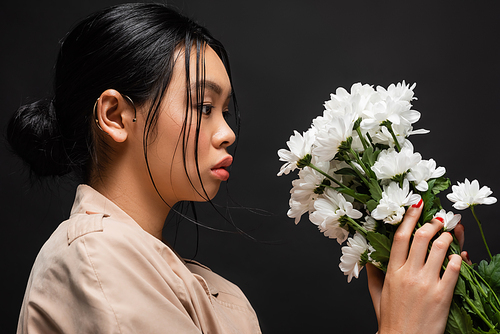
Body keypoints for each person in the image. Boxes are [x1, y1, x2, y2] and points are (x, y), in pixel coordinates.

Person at [8, 3, 466, 333]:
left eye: (226, 111)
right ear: (115, 116)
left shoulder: (178, 276)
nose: (227, 132)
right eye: (204, 106)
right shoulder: (98, 260)